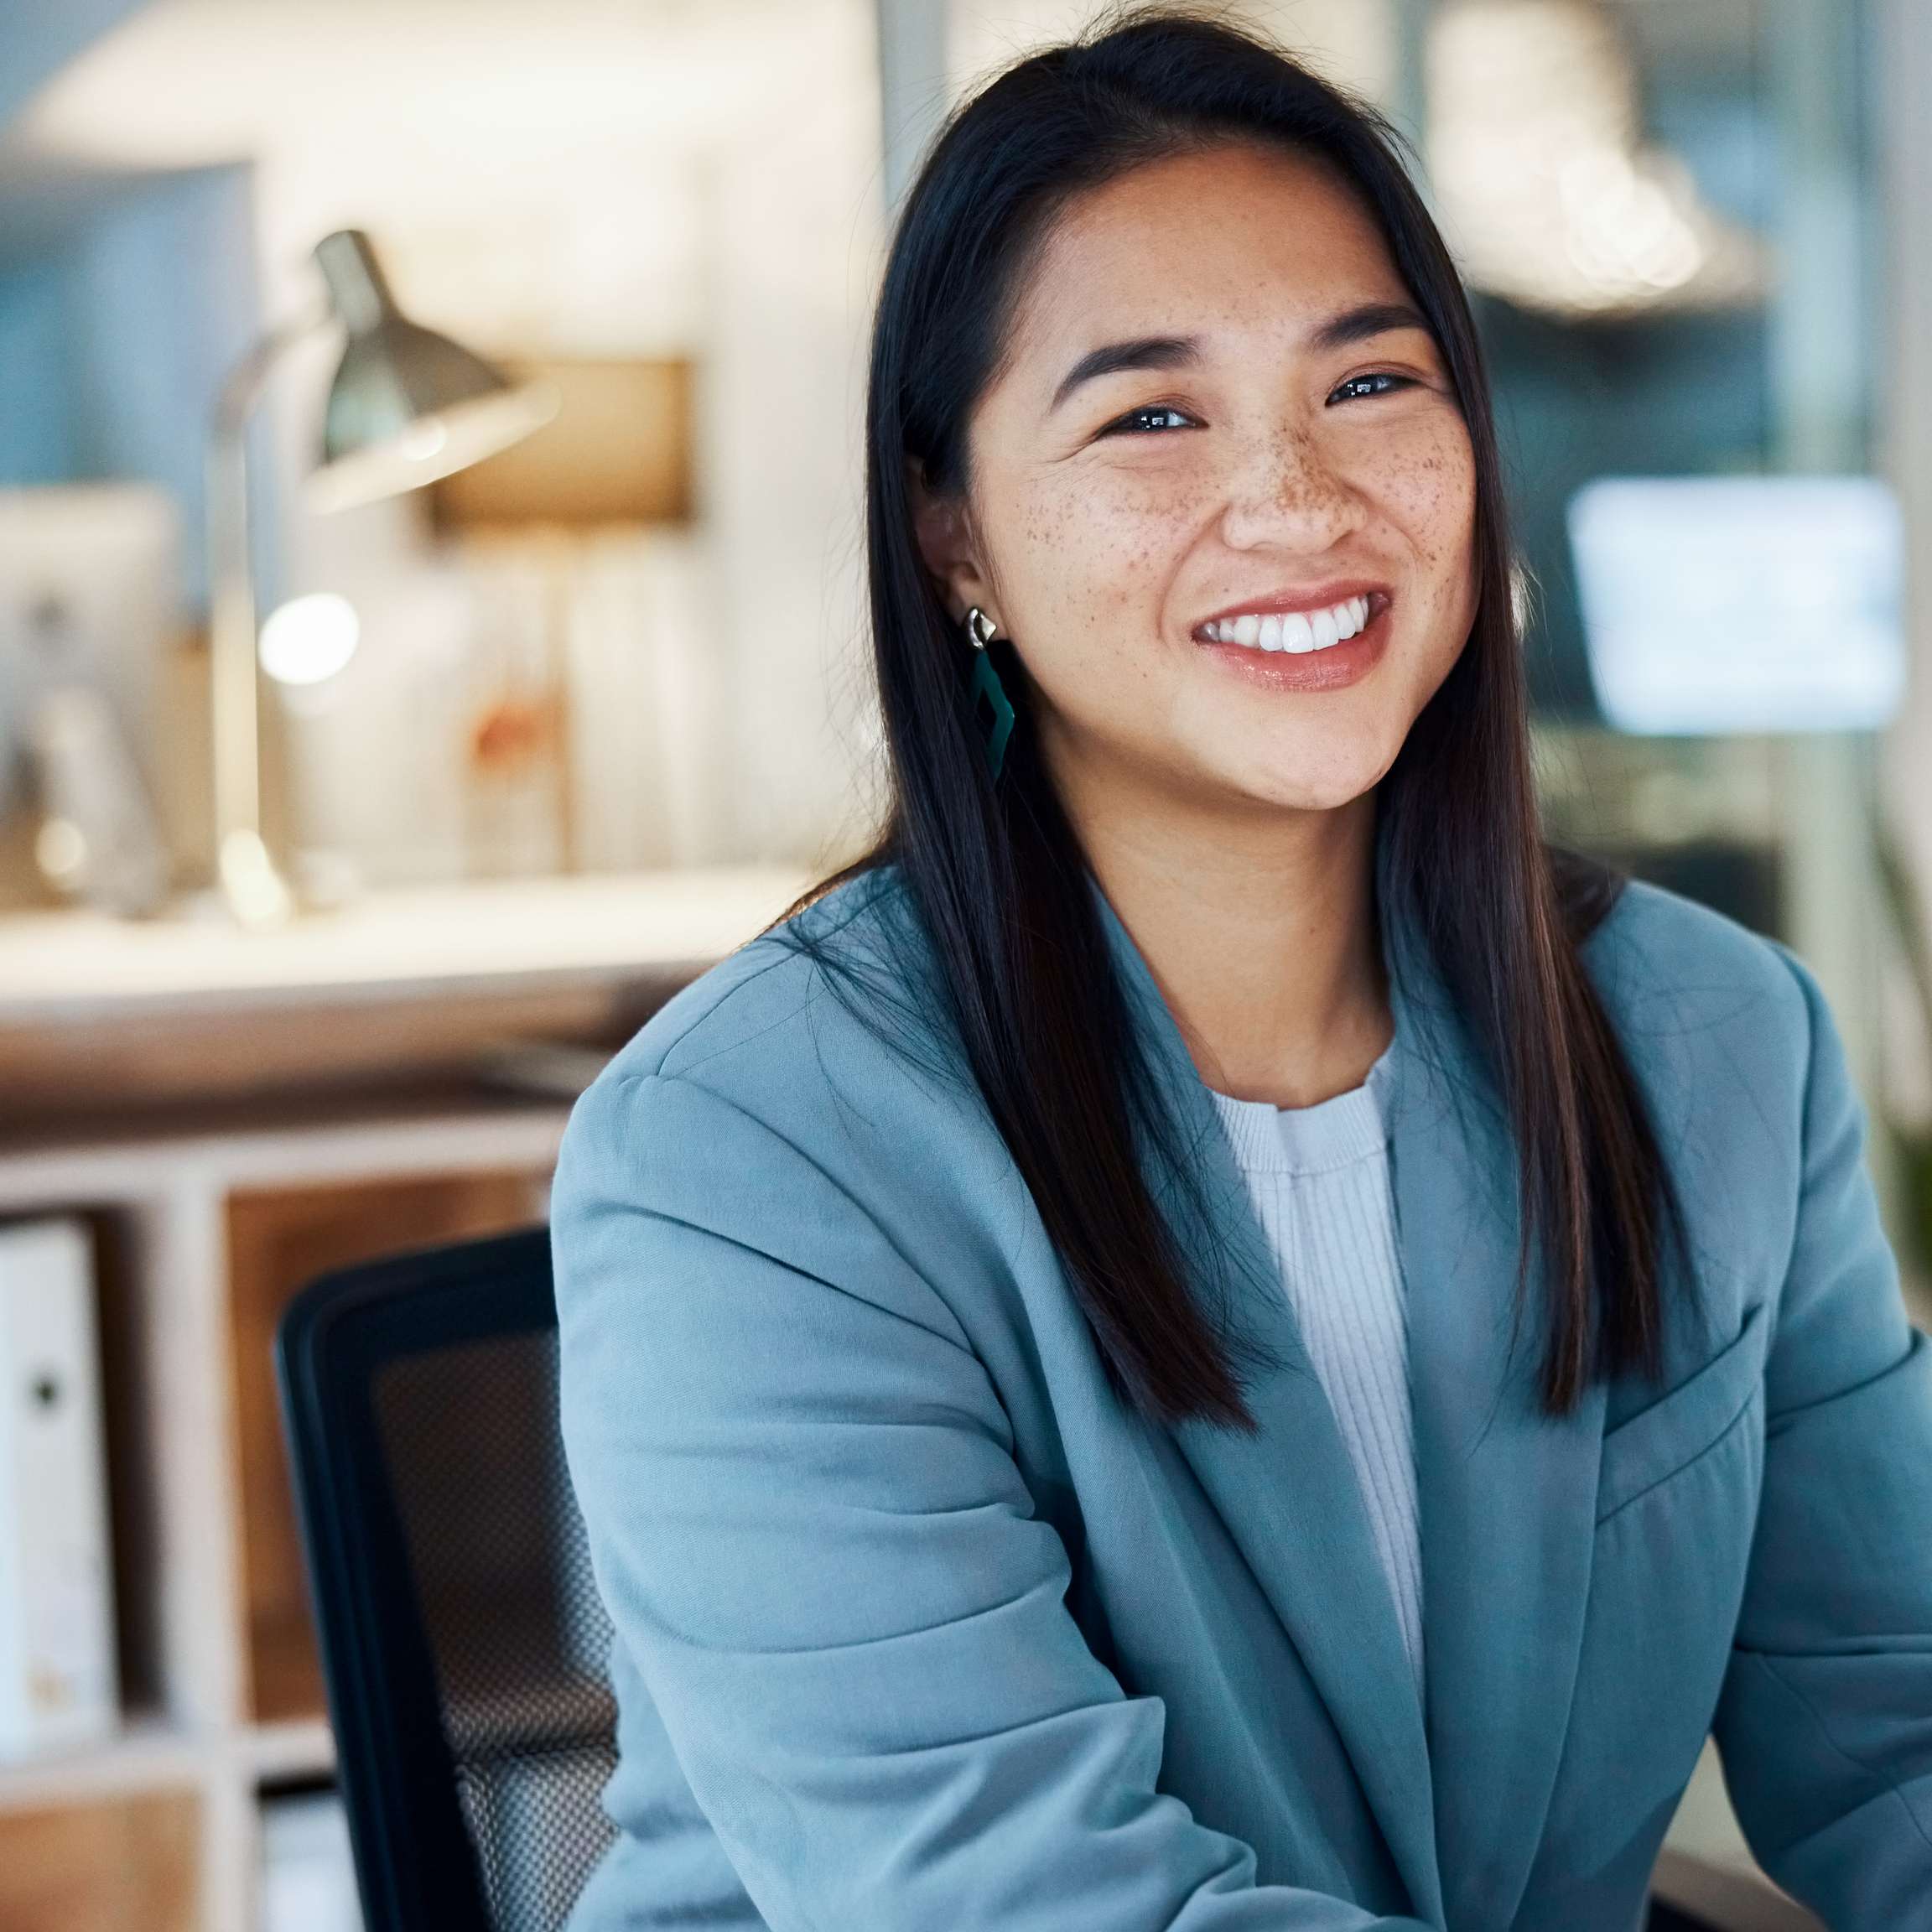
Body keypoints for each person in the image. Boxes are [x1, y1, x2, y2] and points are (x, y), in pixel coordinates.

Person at [550, 10, 1932, 1928]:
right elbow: (1031, 1902)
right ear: (954, 532)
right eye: (1151, 414)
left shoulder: (1712, 1044)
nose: (1297, 500)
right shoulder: (751, 1161)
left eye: (1371, 384)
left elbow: (1898, 1726)